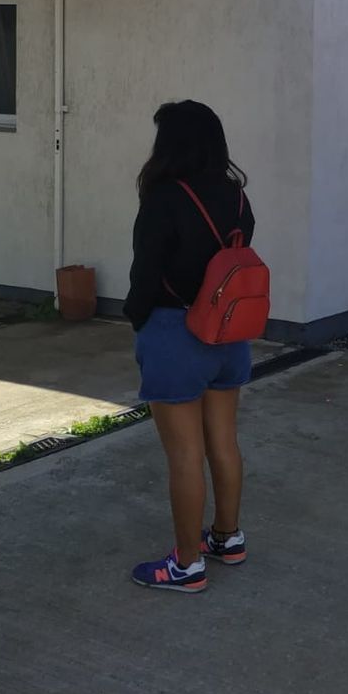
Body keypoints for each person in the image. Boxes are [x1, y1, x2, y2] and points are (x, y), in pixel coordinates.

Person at [124, 100, 257, 593]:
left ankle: (185, 564)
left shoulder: (163, 197)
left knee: (184, 454)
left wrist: (136, 319)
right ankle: (227, 538)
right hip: (229, 335)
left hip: (175, 333)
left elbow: (145, 273)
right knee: (223, 441)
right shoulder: (237, 197)